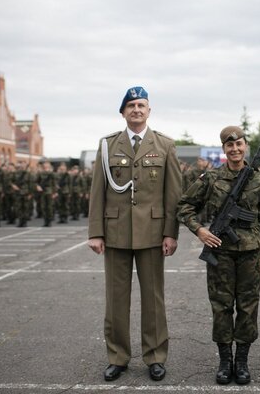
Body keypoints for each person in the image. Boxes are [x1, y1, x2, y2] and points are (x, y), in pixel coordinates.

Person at [88, 86, 181, 382]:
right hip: (115, 233)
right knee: (116, 300)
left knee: (153, 300)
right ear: (123, 112)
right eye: (131, 106)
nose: (136, 110)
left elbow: (173, 195)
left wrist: (171, 233)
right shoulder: (107, 145)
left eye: (141, 105)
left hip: (153, 234)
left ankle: (155, 357)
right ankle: (118, 357)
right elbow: (97, 194)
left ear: (149, 110)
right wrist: (95, 233)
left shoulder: (165, 145)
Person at [177, 125, 260, 385]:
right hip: (219, 253)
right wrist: (199, 230)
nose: (235, 149)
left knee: (247, 307)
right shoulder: (211, 178)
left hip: (251, 253)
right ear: (224, 149)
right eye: (229, 145)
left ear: (246, 146)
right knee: (221, 306)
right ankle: (225, 361)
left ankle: (242, 361)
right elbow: (184, 206)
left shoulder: (259, 179)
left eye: (239, 144)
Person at [36, 161, 57, 227]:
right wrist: (38, 186)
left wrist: (55, 192)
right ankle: (45, 221)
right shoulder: (40, 173)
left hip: (49, 192)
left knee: (49, 207)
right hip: (42, 192)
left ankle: (49, 221)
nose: (46, 166)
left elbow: (54, 184)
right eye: (45, 165)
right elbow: (36, 182)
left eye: (47, 165)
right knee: (43, 207)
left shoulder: (52, 174)